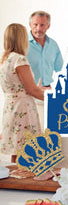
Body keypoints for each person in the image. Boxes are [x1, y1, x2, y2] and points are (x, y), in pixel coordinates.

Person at [0, 24, 44, 162]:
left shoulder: (4, 59)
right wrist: (53, 99)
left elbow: (18, 86)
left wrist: (37, 89)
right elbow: (31, 90)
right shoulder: (19, 59)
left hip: (10, 107)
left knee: (17, 148)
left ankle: (16, 175)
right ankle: (25, 175)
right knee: (26, 150)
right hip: (22, 109)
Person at [26, 11, 63, 86]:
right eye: (35, 25)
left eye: (42, 25)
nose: (38, 28)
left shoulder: (53, 45)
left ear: (48, 26)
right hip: (28, 88)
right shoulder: (22, 44)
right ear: (30, 25)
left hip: (47, 88)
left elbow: (59, 67)